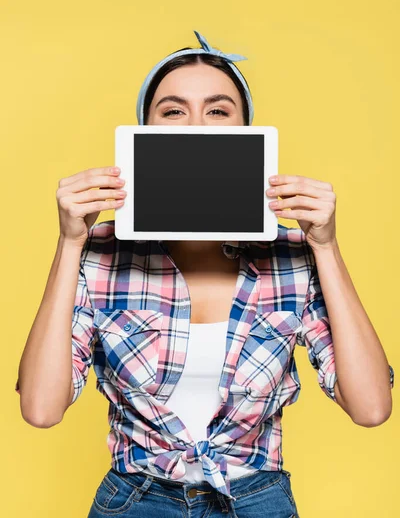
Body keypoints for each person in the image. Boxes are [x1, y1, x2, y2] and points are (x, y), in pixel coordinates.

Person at [15, 31, 395, 518]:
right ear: (144, 134)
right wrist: (70, 242)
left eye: (218, 111)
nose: (196, 125)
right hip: (136, 501)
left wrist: (326, 246)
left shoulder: (293, 258)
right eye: (173, 111)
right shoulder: (101, 256)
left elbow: (370, 409)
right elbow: (41, 410)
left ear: (247, 132)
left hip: (258, 499)